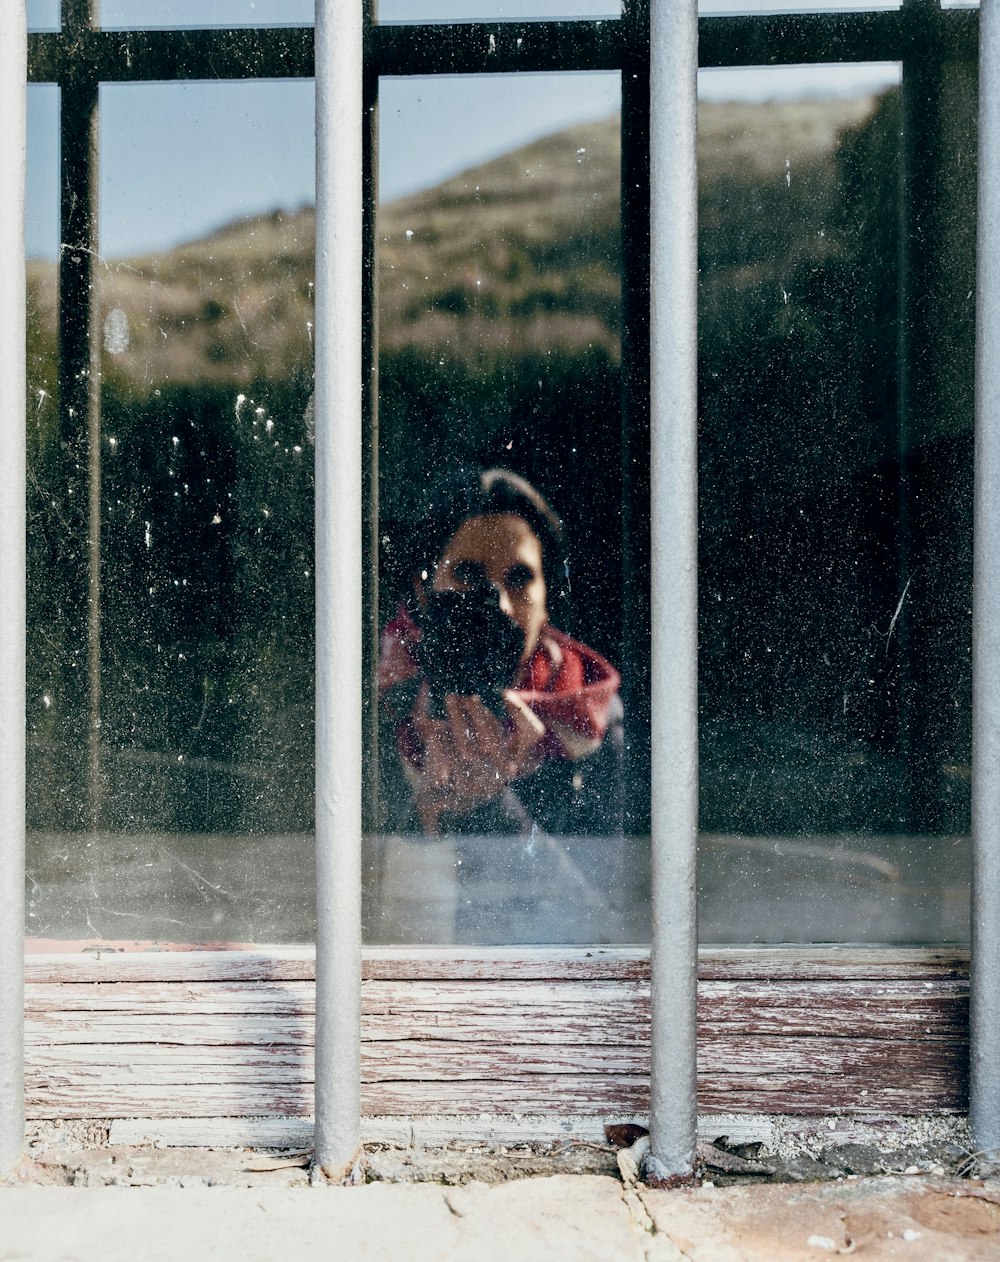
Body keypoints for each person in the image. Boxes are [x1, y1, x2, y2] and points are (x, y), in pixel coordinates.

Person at [378, 467, 622, 836]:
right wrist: (426, 812)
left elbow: (600, 885)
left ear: (546, 599)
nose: (499, 607)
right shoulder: (381, 715)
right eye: (470, 576)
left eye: (520, 579)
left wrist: (493, 803)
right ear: (424, 591)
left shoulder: (594, 725)